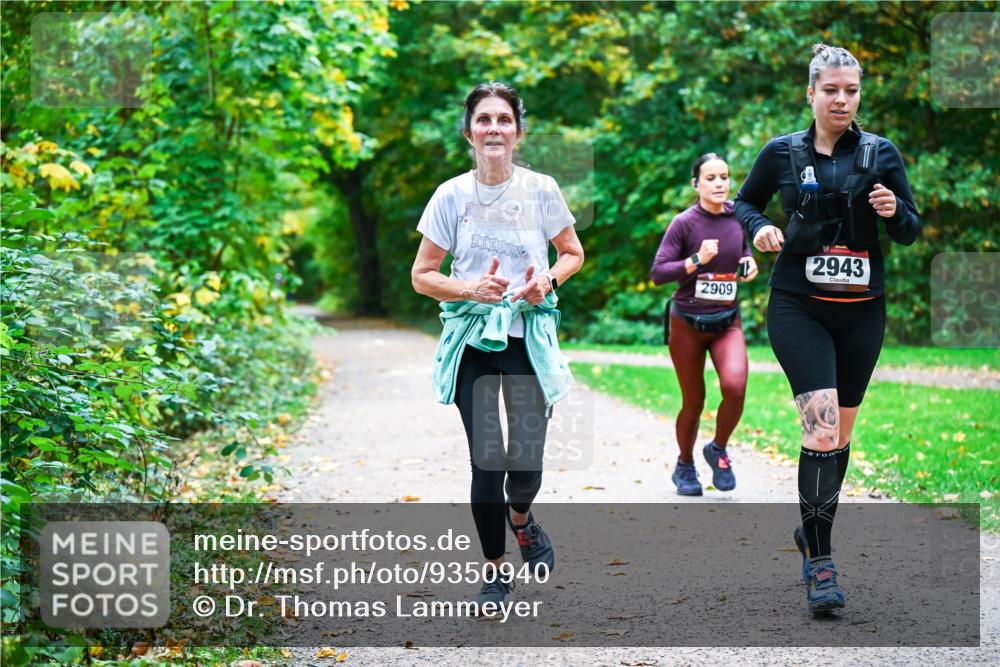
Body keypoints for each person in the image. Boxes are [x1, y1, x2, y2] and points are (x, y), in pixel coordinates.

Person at [734, 44, 920, 613]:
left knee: (838, 437)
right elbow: (745, 203)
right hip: (799, 306)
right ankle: (820, 563)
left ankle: (812, 527)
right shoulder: (782, 152)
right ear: (810, 93)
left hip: (862, 309)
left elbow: (911, 230)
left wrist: (894, 212)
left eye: (852, 90)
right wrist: (761, 227)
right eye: (831, 90)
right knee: (817, 431)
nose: (842, 99)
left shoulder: (880, 153)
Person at [411, 82, 585, 607]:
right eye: (483, 119)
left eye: (503, 120)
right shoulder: (451, 196)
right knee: (487, 460)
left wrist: (546, 282)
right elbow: (423, 275)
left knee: (525, 465)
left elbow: (572, 253)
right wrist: (470, 288)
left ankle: (522, 518)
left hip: (527, 334)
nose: (493, 128)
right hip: (474, 340)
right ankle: (494, 569)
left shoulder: (541, 189)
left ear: (517, 131)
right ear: (468, 132)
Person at [651, 154, 759, 496]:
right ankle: (684, 464)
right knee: (694, 402)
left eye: (724, 177)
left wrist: (749, 263)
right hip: (687, 324)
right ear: (696, 184)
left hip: (726, 321)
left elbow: (744, 252)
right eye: (710, 178)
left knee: (735, 387)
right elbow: (658, 273)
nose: (719, 184)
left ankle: (718, 448)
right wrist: (697, 259)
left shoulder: (737, 218)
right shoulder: (685, 223)